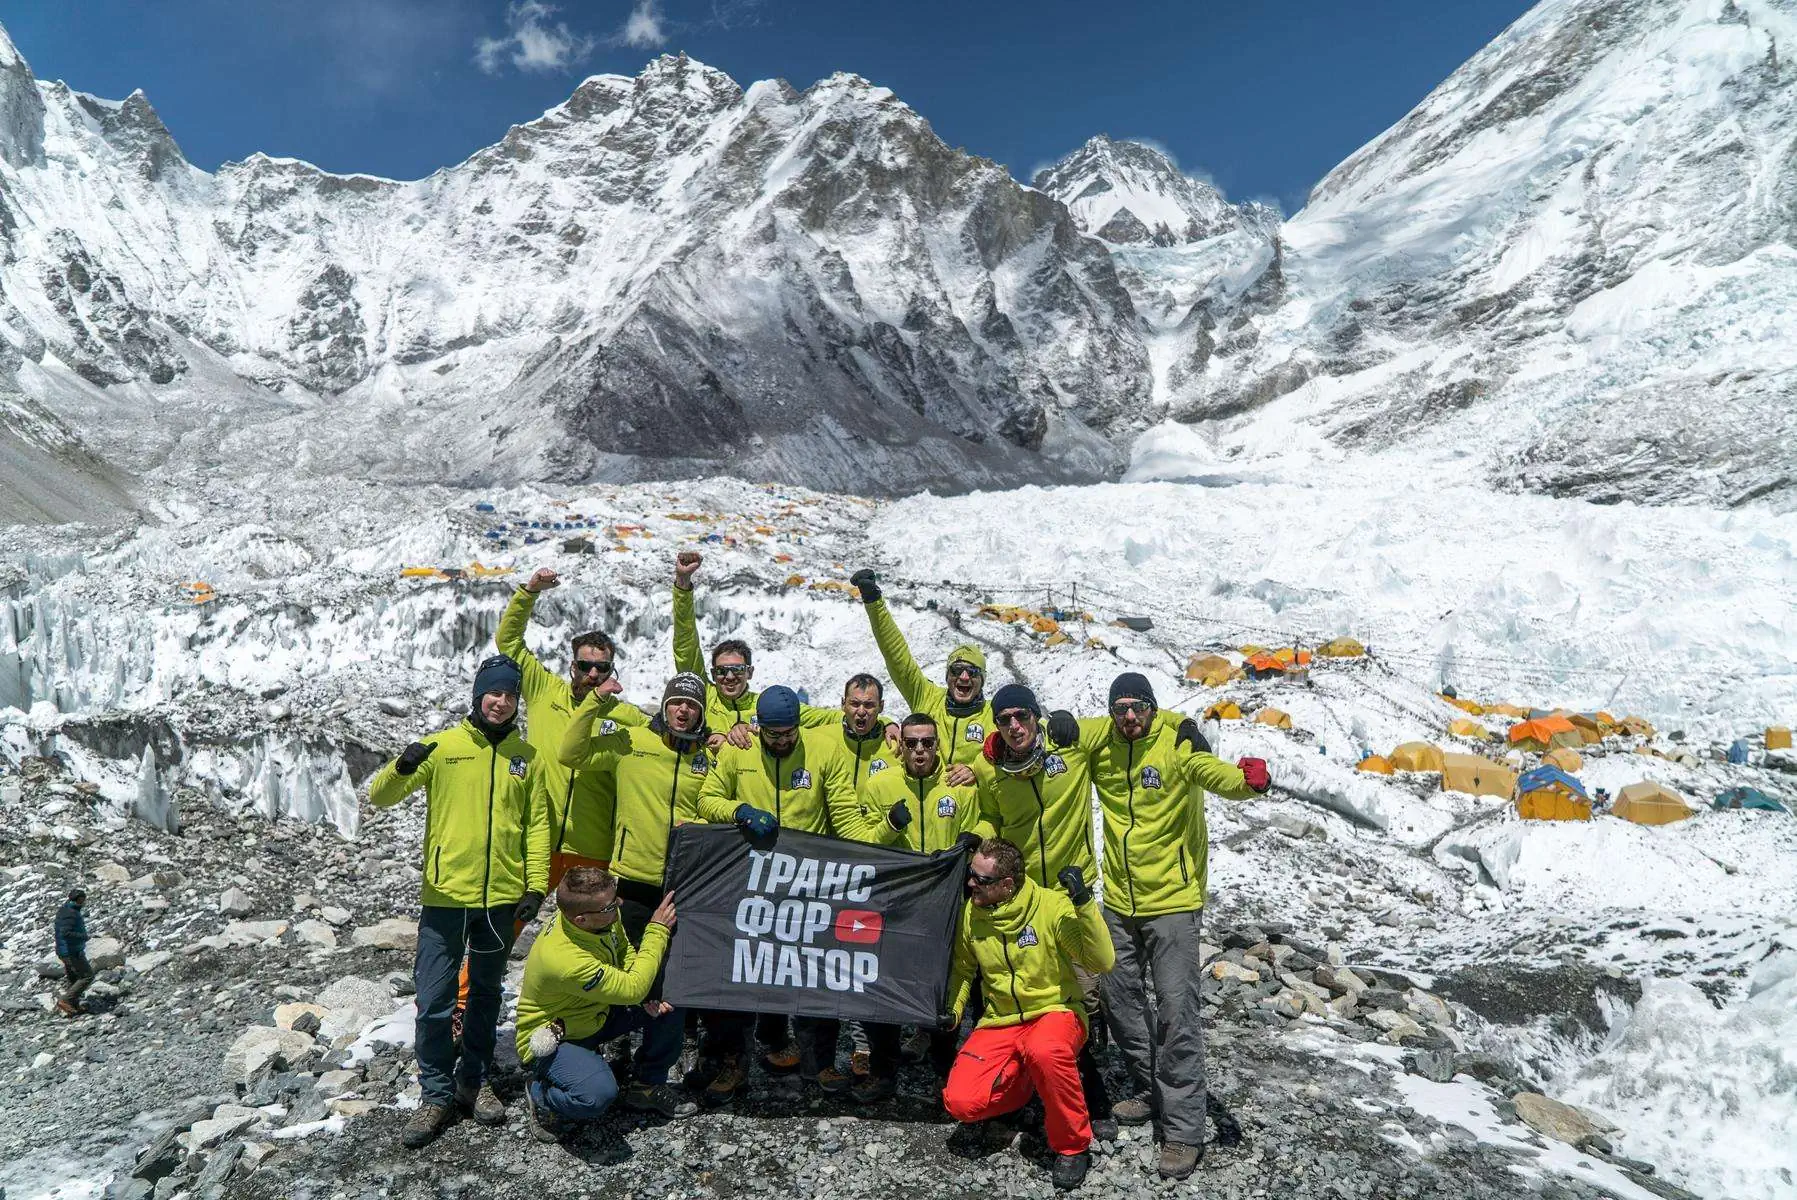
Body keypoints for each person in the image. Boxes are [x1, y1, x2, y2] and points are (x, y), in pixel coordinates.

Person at [1053, 671, 1269, 1179]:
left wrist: (1248, 781)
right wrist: (1054, 723)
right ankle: (1151, 1087)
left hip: (1172, 903)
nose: (1129, 716)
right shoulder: (1102, 738)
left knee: (1177, 1012)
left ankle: (1183, 1130)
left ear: (1152, 707)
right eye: (1120, 707)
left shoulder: (1177, 738)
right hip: (1120, 902)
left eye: (1139, 707)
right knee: (1118, 994)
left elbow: (1214, 773)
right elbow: (1056, 731)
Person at [368, 653, 549, 1149]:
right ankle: (436, 1094)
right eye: (494, 693)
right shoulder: (443, 747)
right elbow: (381, 797)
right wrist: (400, 765)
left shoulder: (526, 758)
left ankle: (475, 1080)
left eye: (511, 695)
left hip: (501, 900)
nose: (502, 702)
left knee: (487, 997)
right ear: (478, 695)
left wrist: (534, 886)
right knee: (433, 1001)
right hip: (446, 896)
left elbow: (536, 827)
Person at [455, 569, 649, 1026]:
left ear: (612, 670)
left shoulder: (625, 716)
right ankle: (462, 1005)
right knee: (505, 926)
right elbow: (509, 642)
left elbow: (663, 742)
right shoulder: (544, 691)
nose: (593, 674)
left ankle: (591, 1017)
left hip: (592, 846)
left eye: (602, 667)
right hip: (536, 839)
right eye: (585, 665)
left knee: (592, 935)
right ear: (572, 666)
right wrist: (529, 593)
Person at [694, 684, 862, 1103]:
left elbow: (843, 815)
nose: (783, 741)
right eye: (775, 735)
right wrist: (740, 811)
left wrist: (872, 858)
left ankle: (819, 1063)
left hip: (810, 884)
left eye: (790, 733)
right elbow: (706, 798)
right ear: (760, 728)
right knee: (745, 974)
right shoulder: (739, 750)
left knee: (815, 974)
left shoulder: (824, 752)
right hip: (754, 885)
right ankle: (736, 1064)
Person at [967, 683, 1117, 1138]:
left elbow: (1126, 721)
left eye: (1021, 716)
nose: (1013, 727)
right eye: (1003, 720)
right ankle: (1025, 1087)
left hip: (1070, 898)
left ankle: (1092, 1090)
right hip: (1023, 897)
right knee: (1026, 994)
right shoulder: (989, 765)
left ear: (1036, 716)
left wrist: (1184, 725)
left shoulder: (1069, 744)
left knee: (1084, 998)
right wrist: (974, 840)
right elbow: (991, 817)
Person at [942, 838, 1115, 1192]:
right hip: (1000, 1020)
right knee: (961, 1103)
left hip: (1056, 1011)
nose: (971, 883)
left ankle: (1072, 1144)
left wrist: (1083, 903)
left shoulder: (1051, 906)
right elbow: (962, 970)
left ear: (1007, 885)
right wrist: (954, 1009)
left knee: (1045, 1050)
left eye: (980, 879)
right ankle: (1028, 1087)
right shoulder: (971, 913)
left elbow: (1101, 961)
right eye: (970, 875)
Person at [850, 712, 988, 1099]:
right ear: (901, 746)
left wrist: (973, 836)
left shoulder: (958, 785)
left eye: (927, 742)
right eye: (912, 743)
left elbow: (986, 824)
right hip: (896, 906)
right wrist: (890, 827)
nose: (920, 750)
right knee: (884, 987)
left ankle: (945, 1073)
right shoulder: (880, 785)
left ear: (938, 744)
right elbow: (865, 846)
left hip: (945, 907)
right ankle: (883, 1072)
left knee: (942, 990)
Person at [516, 868, 692, 1141]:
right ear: (581, 918)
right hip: (558, 1033)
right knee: (597, 1096)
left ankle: (646, 1085)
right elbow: (632, 987)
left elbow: (624, 951)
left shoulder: (601, 917)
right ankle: (540, 1092)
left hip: (596, 1011)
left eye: (616, 899)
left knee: (668, 1000)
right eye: (611, 905)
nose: (619, 905)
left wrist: (644, 993)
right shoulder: (566, 961)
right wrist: (656, 931)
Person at [672, 551, 837, 745]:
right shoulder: (703, 697)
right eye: (722, 671)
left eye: (738, 670)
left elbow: (829, 718)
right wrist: (682, 584)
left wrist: (882, 724)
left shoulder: (766, 706)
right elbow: (686, 643)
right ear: (713, 673)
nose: (730, 677)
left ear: (750, 672)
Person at [849, 569, 993, 766]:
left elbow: (1029, 729)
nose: (964, 677)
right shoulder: (926, 697)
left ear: (983, 679)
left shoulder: (995, 715)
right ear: (947, 675)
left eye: (973, 672)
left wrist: (975, 770)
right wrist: (874, 601)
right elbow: (896, 655)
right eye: (956, 670)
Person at [53, 889, 93, 1017]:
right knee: (87, 976)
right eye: (82, 900)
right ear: (77, 899)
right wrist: (83, 936)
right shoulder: (71, 913)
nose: (84, 902)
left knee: (74, 978)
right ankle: (65, 1001)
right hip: (71, 951)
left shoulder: (65, 909)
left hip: (64, 950)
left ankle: (72, 1005)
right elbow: (66, 933)